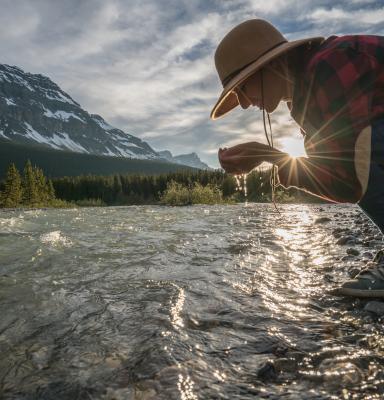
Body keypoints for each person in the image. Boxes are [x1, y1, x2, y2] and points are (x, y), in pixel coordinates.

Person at [211, 19, 384, 298]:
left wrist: (270, 155)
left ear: (272, 65)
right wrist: (271, 156)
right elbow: (337, 177)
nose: (243, 103)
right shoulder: (306, 94)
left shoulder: (328, 67)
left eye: (242, 88)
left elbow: (350, 178)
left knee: (363, 147)